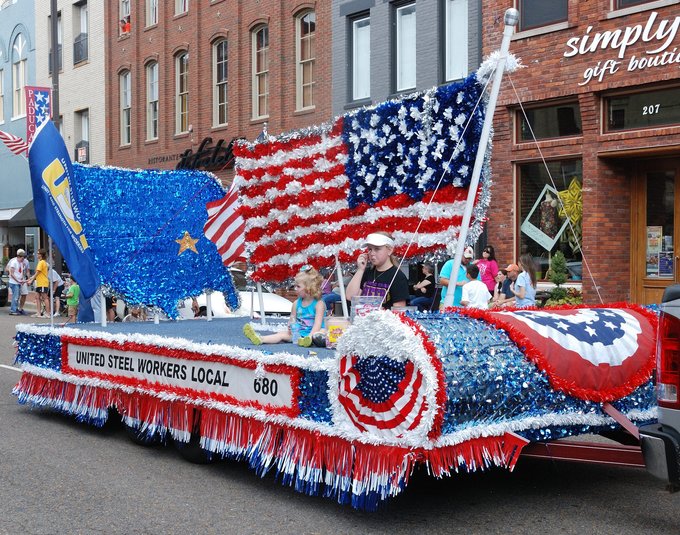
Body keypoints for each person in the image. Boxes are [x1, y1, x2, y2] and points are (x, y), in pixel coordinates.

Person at [243, 265, 326, 347]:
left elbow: (317, 324)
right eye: (295, 286)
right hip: (299, 333)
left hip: (314, 332)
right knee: (281, 334)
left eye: (298, 286)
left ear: (309, 288)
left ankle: (309, 340)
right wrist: (290, 325)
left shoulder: (319, 304)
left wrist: (310, 336)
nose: (295, 289)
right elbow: (292, 319)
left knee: (320, 333)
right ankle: (260, 339)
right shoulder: (296, 303)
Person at [345, 231, 410, 309]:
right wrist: (360, 270)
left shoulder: (398, 277)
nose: (372, 253)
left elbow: (399, 309)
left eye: (377, 249)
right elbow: (350, 297)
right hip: (363, 316)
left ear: (389, 250)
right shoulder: (367, 272)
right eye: (370, 249)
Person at [7, 249, 29, 316]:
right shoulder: (14, 262)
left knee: (17, 296)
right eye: (22, 258)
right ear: (19, 256)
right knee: (15, 296)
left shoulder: (21, 263)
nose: (23, 259)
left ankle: (15, 309)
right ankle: (13, 310)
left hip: (18, 282)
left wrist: (22, 280)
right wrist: (18, 280)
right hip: (14, 282)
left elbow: (21, 273)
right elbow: (12, 274)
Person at [28, 249, 50, 317]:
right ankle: (38, 313)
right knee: (37, 297)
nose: (37, 255)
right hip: (39, 282)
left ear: (41, 255)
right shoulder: (41, 262)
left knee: (45, 297)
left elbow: (38, 272)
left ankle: (48, 313)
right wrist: (31, 278)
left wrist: (31, 280)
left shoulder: (41, 262)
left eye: (38, 253)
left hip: (42, 282)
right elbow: (38, 273)